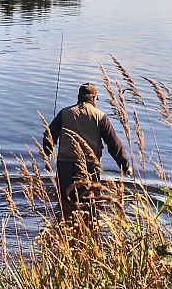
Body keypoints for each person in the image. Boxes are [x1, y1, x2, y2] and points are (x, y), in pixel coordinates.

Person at [43, 83, 132, 217]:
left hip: (65, 165)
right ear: (94, 98)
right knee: (89, 203)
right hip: (89, 167)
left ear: (79, 97)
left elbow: (48, 135)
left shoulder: (65, 113)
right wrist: (125, 165)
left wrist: (48, 153)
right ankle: (88, 231)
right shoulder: (100, 116)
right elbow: (114, 144)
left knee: (65, 203)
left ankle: (64, 230)